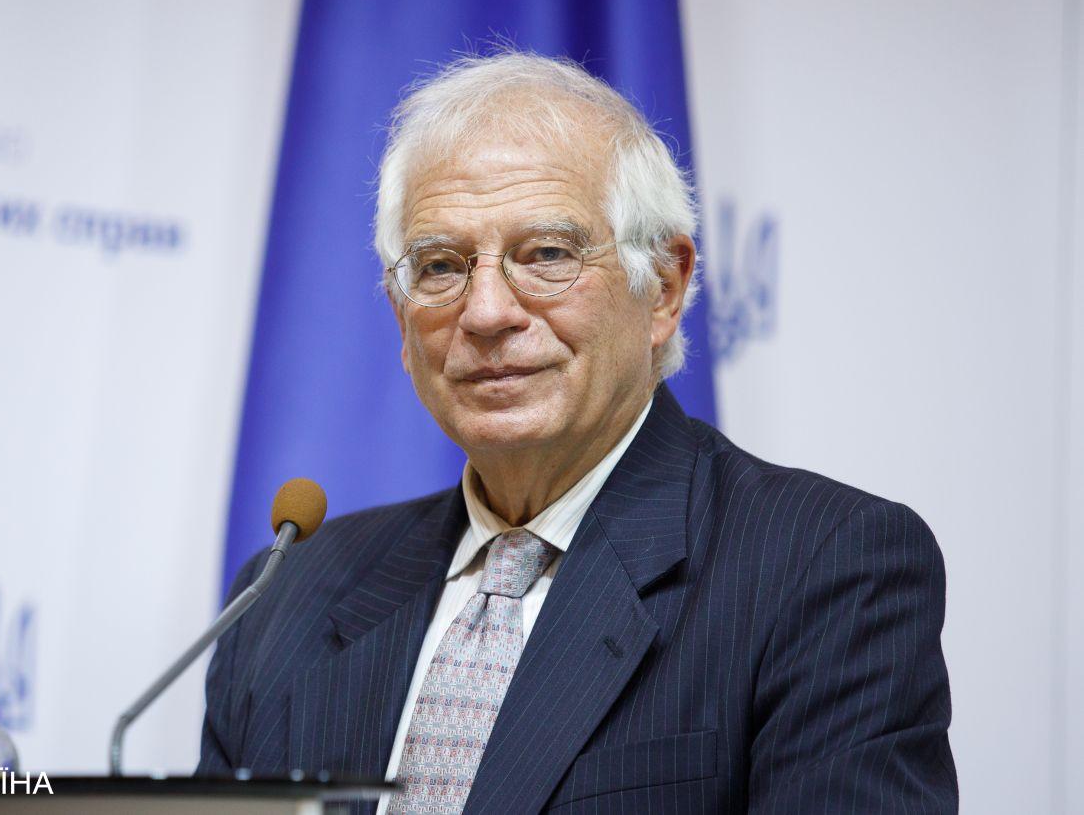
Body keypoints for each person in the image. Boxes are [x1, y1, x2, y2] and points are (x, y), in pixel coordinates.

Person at [199, 51, 958, 814]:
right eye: (440, 267)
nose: (486, 312)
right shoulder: (287, 596)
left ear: (663, 289)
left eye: (548, 255)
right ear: (402, 321)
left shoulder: (823, 567)